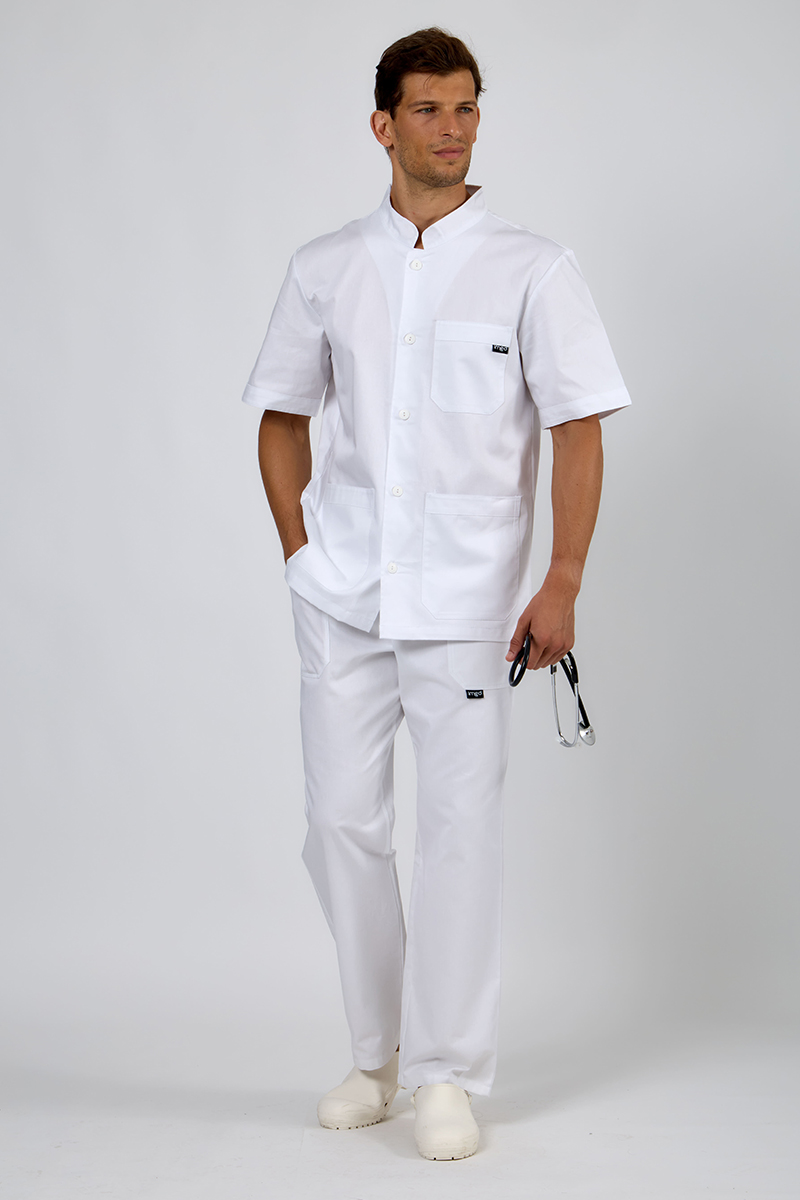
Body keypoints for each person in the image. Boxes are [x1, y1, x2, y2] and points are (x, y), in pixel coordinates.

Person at [242, 27, 631, 1161]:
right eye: (427, 109)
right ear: (383, 124)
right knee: (340, 824)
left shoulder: (532, 268)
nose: (452, 128)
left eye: (465, 108)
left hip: (468, 606)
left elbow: (576, 428)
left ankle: (447, 1070)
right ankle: (379, 1056)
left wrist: (561, 580)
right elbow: (280, 416)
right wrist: (298, 553)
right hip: (341, 597)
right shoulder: (325, 267)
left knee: (458, 833)